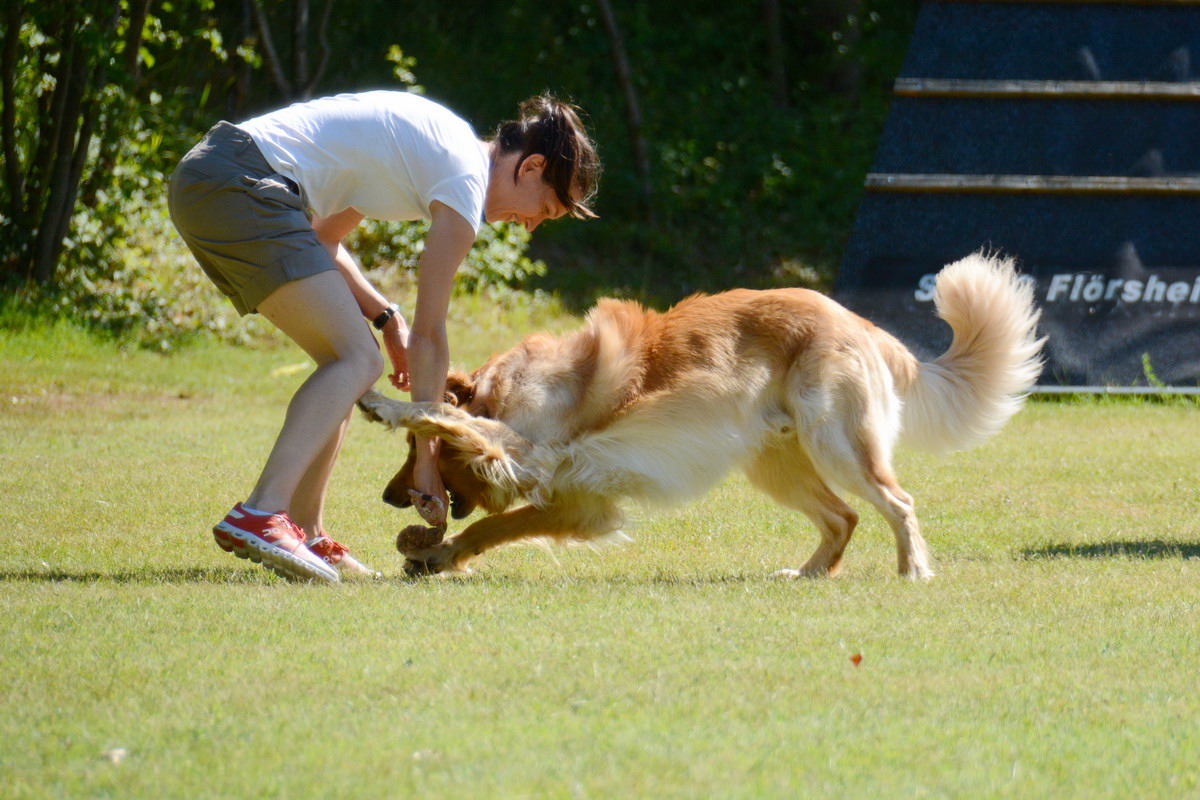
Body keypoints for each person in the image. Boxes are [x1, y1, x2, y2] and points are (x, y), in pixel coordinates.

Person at [167, 90, 600, 582]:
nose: (530, 227)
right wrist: (427, 462)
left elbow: (323, 239)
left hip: (215, 175)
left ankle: (306, 531)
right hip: (237, 183)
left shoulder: (443, 151)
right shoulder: (463, 180)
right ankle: (261, 513)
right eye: (544, 208)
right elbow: (432, 336)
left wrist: (386, 319)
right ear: (530, 167)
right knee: (356, 361)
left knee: (346, 361)